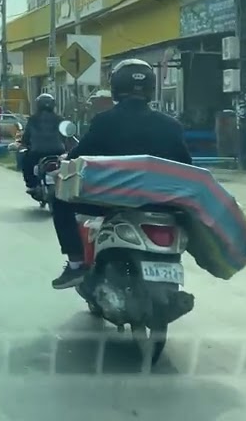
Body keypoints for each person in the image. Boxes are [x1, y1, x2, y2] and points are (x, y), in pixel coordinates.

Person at [48, 58, 194, 290]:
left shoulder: (104, 122)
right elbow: (186, 166)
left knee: (58, 199)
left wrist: (62, 167)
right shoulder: (171, 125)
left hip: (111, 202)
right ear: (151, 88)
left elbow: (79, 158)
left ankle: (76, 264)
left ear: (116, 87)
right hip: (162, 204)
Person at [18, 93, 65, 192]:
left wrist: (24, 144)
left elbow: (27, 136)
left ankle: (32, 185)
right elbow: (66, 135)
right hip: (58, 151)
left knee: (25, 161)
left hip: (37, 152)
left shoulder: (33, 119)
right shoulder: (60, 119)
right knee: (66, 165)